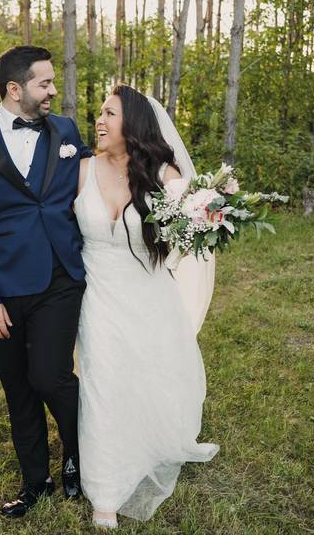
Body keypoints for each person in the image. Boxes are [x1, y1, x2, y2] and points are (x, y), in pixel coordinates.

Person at [0, 45, 92, 518]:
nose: (53, 91)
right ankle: (35, 483)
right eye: (44, 83)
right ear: (15, 89)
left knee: (51, 375)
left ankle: (77, 455)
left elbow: (103, 175)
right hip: (2, 291)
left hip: (59, 277)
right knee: (18, 389)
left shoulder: (66, 130)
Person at [74, 85, 218, 529]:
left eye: (109, 113)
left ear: (132, 123)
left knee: (145, 378)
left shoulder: (164, 173)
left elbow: (197, 225)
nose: (99, 119)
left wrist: (210, 213)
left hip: (148, 294)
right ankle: (105, 493)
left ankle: (149, 442)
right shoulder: (80, 170)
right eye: (98, 112)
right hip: (95, 293)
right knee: (102, 382)